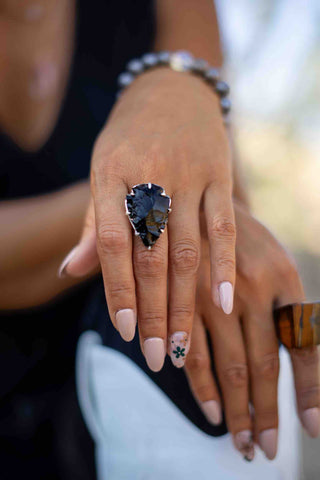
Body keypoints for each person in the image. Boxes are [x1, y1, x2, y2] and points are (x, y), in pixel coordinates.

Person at [0, 1, 318, 479]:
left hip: (113, 357)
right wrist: (124, 195)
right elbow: (179, 186)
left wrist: (230, 237)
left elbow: (218, 178)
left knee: (233, 290)